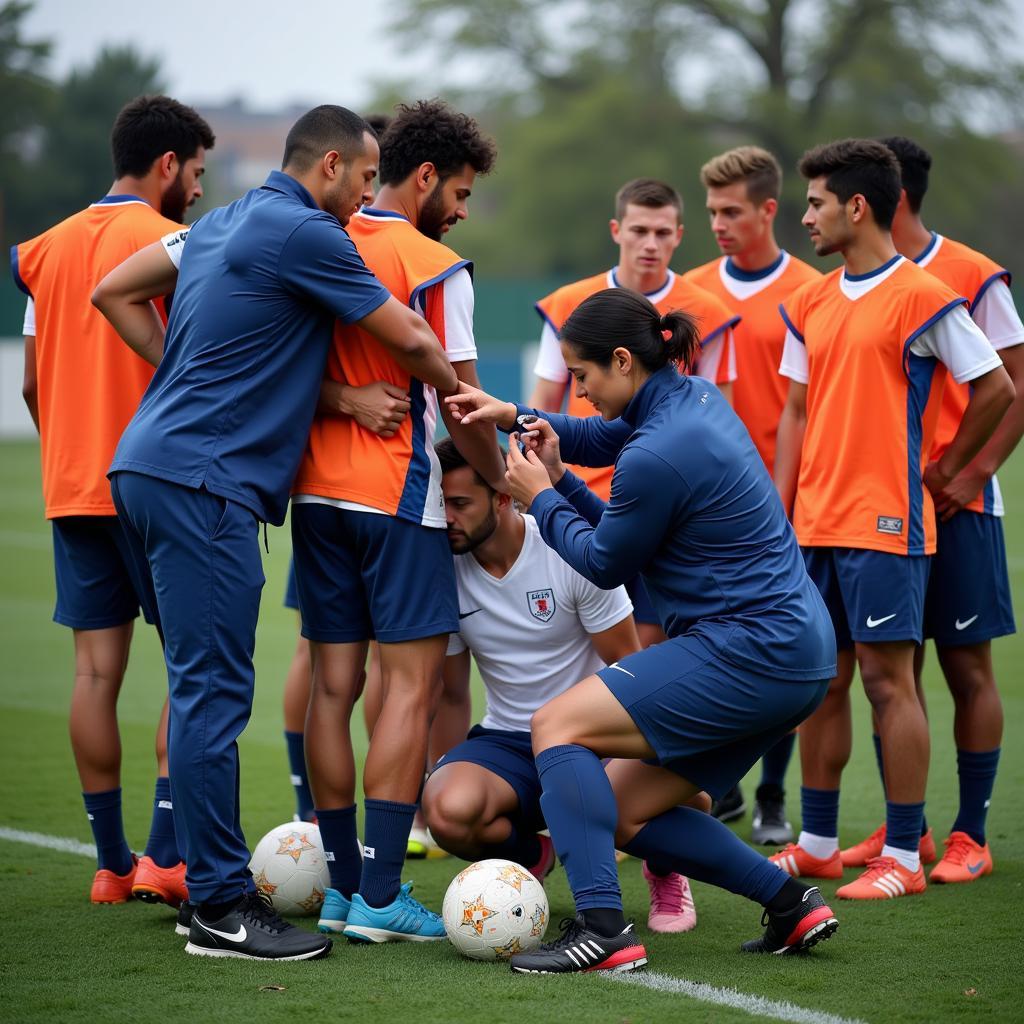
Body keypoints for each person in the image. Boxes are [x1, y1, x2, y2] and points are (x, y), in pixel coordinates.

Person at [93, 104, 458, 961]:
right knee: (212, 692)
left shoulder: (219, 221)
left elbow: (113, 290)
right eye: (367, 180)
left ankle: (209, 894)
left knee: (199, 687)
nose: (369, 200)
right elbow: (405, 333)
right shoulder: (308, 232)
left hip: (149, 465)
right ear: (330, 165)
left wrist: (194, 373)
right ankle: (220, 906)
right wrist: (471, 407)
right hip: (203, 483)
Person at [445, 288, 840, 974]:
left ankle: (602, 927)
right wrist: (523, 419)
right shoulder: (691, 402)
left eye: (587, 375)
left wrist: (542, 494)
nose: (583, 390)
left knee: (556, 725)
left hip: (752, 648)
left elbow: (603, 561)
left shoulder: (657, 452)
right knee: (625, 809)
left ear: (623, 361)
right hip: (797, 651)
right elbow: (606, 439)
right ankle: (791, 903)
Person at [771, 139, 1013, 901]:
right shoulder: (809, 299)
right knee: (820, 680)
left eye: (813, 203)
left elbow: (998, 388)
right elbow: (797, 412)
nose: (803, 217)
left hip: (886, 522)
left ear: (856, 206)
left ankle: (904, 855)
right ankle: (814, 843)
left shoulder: (922, 294)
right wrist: (782, 512)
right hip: (815, 523)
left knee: (887, 679)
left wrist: (949, 470)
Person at [288, 99, 504, 944]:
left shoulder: (317, 238)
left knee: (331, 690)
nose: (460, 209)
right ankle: (381, 894)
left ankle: (342, 891)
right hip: (397, 497)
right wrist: (505, 484)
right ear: (423, 179)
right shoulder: (432, 261)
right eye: (458, 191)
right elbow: (465, 403)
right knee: (407, 686)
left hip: (315, 496)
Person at [11, 94, 213, 907]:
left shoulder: (46, 249)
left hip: (72, 485)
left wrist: (68, 446)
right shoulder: (177, 245)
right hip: (157, 483)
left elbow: (30, 381)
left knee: (95, 674)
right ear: (167, 164)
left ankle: (110, 866)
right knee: (188, 667)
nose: (198, 189)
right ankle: (167, 853)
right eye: (196, 172)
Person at [833, 136, 1023, 883]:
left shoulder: (971, 273)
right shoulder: (853, 280)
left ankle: (970, 834)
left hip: (960, 503)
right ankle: (902, 829)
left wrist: (968, 472)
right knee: (893, 669)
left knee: (967, 665)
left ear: (888, 197)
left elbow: (1011, 383)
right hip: (885, 508)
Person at [422, 440, 703, 935]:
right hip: (508, 739)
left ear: (503, 497)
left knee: (677, 795)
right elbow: (450, 693)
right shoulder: (440, 571)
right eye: (441, 505)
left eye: (460, 504)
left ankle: (665, 868)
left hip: (593, 737)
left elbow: (630, 668)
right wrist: (437, 776)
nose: (448, 518)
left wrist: (658, 769)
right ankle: (534, 855)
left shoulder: (569, 551)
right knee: (448, 811)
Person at [683, 146, 822, 843]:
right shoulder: (693, 288)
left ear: (769, 210)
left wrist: (792, 492)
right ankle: (724, 784)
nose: (718, 223)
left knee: (778, 643)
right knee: (706, 639)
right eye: (711, 211)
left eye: (731, 211)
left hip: (781, 499)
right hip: (704, 505)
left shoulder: (811, 289)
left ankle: (771, 795)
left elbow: (812, 403)